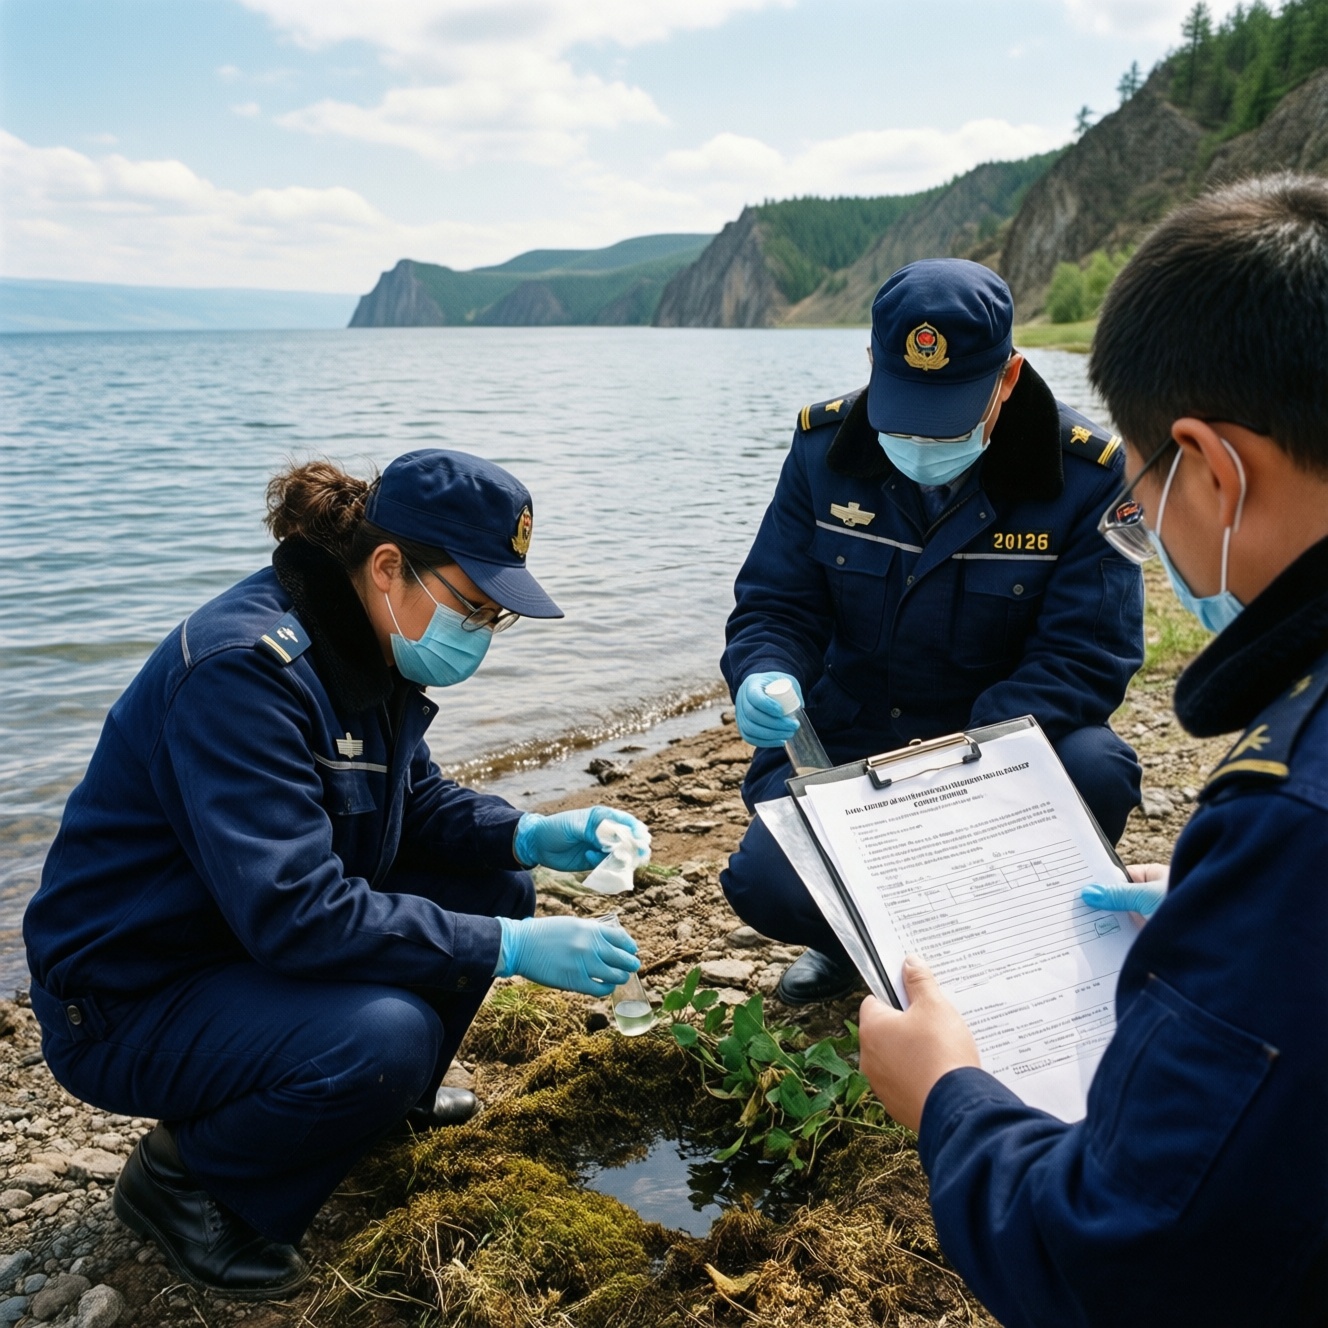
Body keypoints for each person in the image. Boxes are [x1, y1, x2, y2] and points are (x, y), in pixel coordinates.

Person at [858, 174, 1328, 1326]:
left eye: (1141, 500)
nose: (1143, 530)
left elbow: (1119, 1257)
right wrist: (1218, 909)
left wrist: (946, 1094)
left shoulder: (1290, 807)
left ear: (1212, 468)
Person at [23, 449, 648, 1301]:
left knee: (495, 885)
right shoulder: (244, 669)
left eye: (495, 618)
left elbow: (412, 804)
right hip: (128, 990)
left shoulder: (367, 634)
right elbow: (296, 911)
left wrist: (531, 834)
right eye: (472, 605)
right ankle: (186, 1183)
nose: (478, 634)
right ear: (390, 566)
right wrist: (507, 949)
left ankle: (374, 1108)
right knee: (385, 1034)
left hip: (235, 937)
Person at [721, 258, 1145, 1004]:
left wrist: (954, 767)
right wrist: (764, 669)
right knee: (763, 879)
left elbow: (1086, 656)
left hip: (1006, 743)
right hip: (854, 742)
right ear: (873, 367)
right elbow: (777, 603)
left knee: (1098, 769)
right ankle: (850, 946)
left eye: (946, 417)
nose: (919, 441)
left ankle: (1006, 936)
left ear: (1007, 380)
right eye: (904, 411)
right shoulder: (822, 450)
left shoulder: (1088, 475)